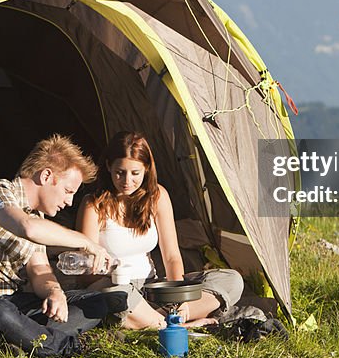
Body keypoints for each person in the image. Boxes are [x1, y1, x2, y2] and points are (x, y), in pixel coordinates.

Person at [0, 134, 125, 358]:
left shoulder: (37, 216)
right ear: (46, 175)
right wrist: (86, 242)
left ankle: (22, 341)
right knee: (0, 312)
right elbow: (27, 228)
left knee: (96, 301)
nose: (70, 202)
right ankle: (70, 347)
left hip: (10, 301)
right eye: (68, 191)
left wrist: (55, 293)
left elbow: (39, 269)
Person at [76, 131, 243, 329]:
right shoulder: (94, 204)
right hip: (116, 286)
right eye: (120, 172)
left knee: (231, 280)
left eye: (135, 173)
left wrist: (178, 297)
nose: (127, 180)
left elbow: (172, 256)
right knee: (112, 296)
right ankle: (177, 324)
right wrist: (114, 274)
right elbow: (86, 273)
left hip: (152, 288)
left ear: (146, 169)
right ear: (108, 167)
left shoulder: (157, 197)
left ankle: (162, 318)